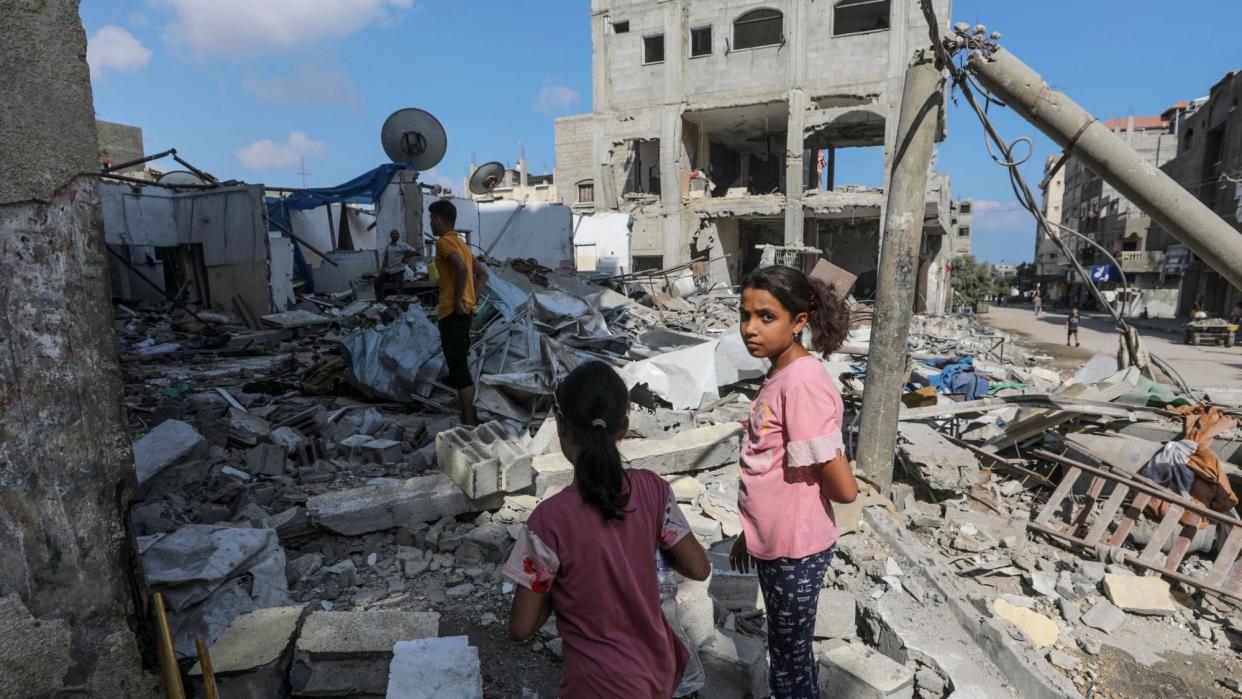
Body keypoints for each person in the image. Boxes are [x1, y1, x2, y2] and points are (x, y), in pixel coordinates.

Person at [505, 361, 711, 698]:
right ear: (624, 428)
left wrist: (559, 591)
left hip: (595, 685)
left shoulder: (548, 521)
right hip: (656, 673)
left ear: (561, 427)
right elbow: (699, 568)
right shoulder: (653, 491)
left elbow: (520, 627)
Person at [730, 265, 859, 698]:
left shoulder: (801, 382)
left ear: (799, 322)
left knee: (788, 662)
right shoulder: (780, 372)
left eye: (766, 317)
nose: (750, 328)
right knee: (787, 653)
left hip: (795, 549)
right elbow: (770, 468)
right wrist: (749, 532)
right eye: (745, 314)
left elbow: (843, 488)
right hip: (777, 543)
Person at [430, 199, 488, 426]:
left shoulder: (444, 243)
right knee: (459, 368)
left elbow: (462, 269)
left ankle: (469, 422)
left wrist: (457, 301)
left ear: (439, 219)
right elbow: (482, 275)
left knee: (460, 371)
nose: (431, 223)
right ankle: (467, 417)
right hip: (465, 314)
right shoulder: (462, 244)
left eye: (431, 218)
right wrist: (472, 297)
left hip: (452, 314)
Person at [374, 229, 419, 301]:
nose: (394, 235)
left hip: (399, 270)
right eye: (392, 234)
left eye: (396, 234)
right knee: (377, 281)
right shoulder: (388, 246)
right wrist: (382, 269)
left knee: (398, 287)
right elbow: (385, 258)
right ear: (390, 236)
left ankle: (401, 304)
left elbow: (415, 252)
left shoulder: (403, 245)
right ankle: (380, 301)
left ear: (399, 235)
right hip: (388, 270)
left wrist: (407, 256)